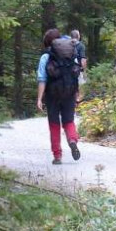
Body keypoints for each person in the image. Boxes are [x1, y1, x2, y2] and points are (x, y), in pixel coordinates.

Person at [36, 29, 81, 165]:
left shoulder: (46, 56)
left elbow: (42, 78)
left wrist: (39, 98)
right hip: (69, 91)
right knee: (69, 120)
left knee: (54, 123)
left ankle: (57, 155)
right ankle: (72, 140)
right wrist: (77, 93)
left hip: (52, 94)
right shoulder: (71, 52)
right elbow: (76, 73)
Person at [70, 29, 88, 103]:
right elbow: (83, 60)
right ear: (78, 36)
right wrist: (84, 70)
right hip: (77, 69)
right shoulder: (80, 45)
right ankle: (77, 101)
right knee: (81, 86)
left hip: (67, 69)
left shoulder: (67, 44)